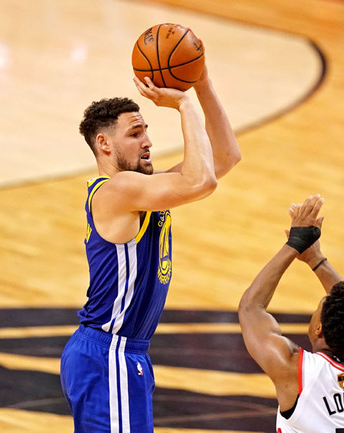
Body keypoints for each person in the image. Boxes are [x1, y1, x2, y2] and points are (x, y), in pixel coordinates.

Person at [60, 67, 241, 433]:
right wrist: (184, 104)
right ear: (104, 144)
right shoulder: (117, 190)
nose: (148, 142)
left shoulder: (142, 190)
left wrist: (202, 81)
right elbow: (202, 180)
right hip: (108, 352)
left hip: (126, 352)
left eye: (146, 132)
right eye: (135, 133)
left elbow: (225, 157)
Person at [238, 195, 344, 432]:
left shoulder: (295, 371)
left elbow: (251, 308)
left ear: (318, 328)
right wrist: (315, 259)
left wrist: (295, 244)